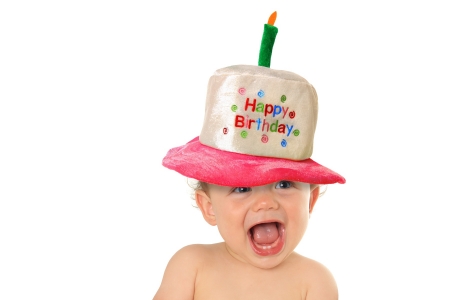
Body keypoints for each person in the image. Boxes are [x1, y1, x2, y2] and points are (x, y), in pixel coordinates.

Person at [153, 12, 345, 300]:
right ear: (209, 208)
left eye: (284, 184)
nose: (266, 202)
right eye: (241, 188)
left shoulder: (314, 281)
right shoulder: (191, 266)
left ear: (311, 200)